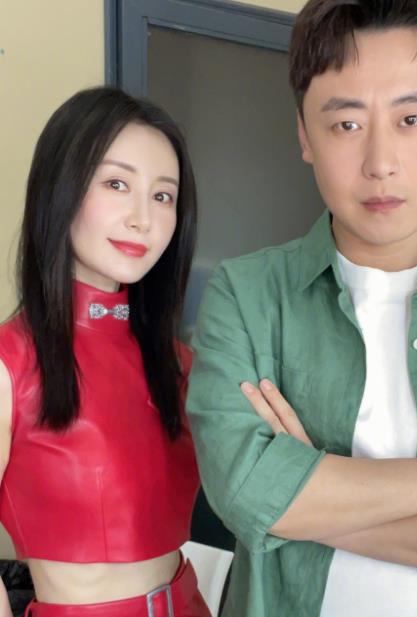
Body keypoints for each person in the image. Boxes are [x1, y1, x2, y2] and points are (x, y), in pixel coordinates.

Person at [186, 1, 417, 616]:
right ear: (304, 134)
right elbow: (241, 489)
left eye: (412, 118)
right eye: (345, 124)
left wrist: (302, 495)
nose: (380, 163)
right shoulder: (247, 294)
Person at [0, 87, 211, 617]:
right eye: (117, 184)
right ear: (61, 189)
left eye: (163, 196)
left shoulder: (180, 364)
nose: (143, 218)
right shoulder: (11, 362)